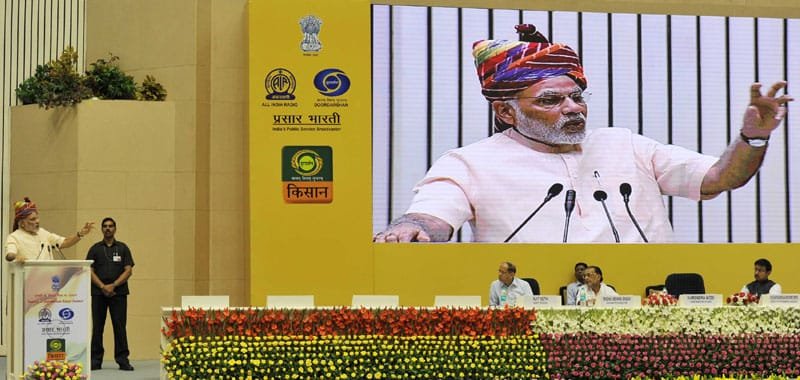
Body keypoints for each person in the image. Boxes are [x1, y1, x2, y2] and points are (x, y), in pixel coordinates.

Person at [373, 24, 793, 243]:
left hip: (645, 308)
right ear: (505, 110)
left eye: (576, 96)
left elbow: (720, 178)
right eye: (551, 100)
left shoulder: (624, 144)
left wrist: (752, 137)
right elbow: (431, 215)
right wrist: (413, 230)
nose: (572, 108)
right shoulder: (469, 163)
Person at [86, 217, 135, 371]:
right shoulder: (95, 249)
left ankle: (122, 360)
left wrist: (113, 285)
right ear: (102, 229)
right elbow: (89, 270)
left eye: (111, 226)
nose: (108, 228)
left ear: (115, 229)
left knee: (119, 326)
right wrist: (102, 286)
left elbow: (128, 270)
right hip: (98, 293)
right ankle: (95, 360)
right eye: (105, 226)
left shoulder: (122, 248)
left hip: (118, 293)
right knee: (98, 327)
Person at [5, 197, 94, 262]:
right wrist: (16, 257)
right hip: (27, 282)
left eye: (37, 218)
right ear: (22, 223)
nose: (37, 221)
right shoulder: (14, 237)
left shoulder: (43, 233)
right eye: (33, 219)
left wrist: (80, 234)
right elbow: (10, 254)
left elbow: (65, 242)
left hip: (48, 279)